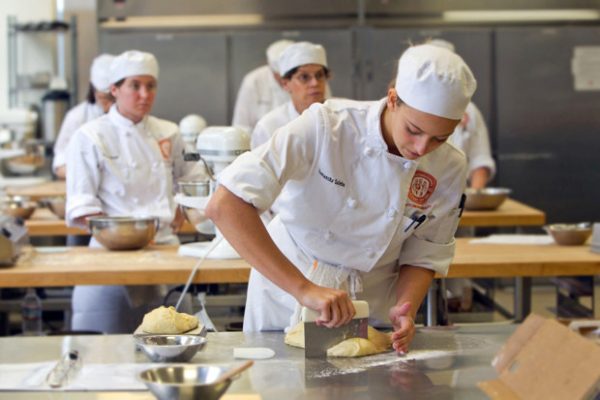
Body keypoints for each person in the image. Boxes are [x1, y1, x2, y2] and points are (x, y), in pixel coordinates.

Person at [206, 44, 477, 353]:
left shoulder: (450, 166)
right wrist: (304, 289)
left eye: (439, 138)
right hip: (287, 291)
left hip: (368, 304)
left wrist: (406, 307)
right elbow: (225, 204)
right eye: (413, 130)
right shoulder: (326, 126)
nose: (421, 148)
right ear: (392, 99)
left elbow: (425, 250)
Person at [65, 50, 207, 333]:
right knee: (102, 349)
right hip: (110, 259)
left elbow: (195, 181)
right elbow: (82, 205)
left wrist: (184, 206)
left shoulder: (169, 132)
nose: (145, 94)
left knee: (175, 343)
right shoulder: (90, 136)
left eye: (150, 86)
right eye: (135, 86)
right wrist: (125, 236)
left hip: (166, 251)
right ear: (114, 89)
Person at [427, 39, 496, 189]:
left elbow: (480, 158)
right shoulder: (410, 108)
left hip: (455, 193)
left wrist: (474, 196)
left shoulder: (469, 110)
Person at [251, 41, 329, 149]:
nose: (315, 83)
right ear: (285, 84)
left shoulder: (343, 118)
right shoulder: (269, 127)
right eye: (304, 77)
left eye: (319, 75)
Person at [52, 54, 115, 179]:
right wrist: (86, 177)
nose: (108, 105)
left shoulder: (130, 118)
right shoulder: (76, 117)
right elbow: (60, 163)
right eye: (103, 98)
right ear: (93, 90)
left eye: (112, 99)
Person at [232, 39, 295, 133]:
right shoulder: (253, 81)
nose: (285, 80)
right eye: (281, 75)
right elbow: (241, 126)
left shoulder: (311, 83)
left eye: (290, 76)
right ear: (271, 69)